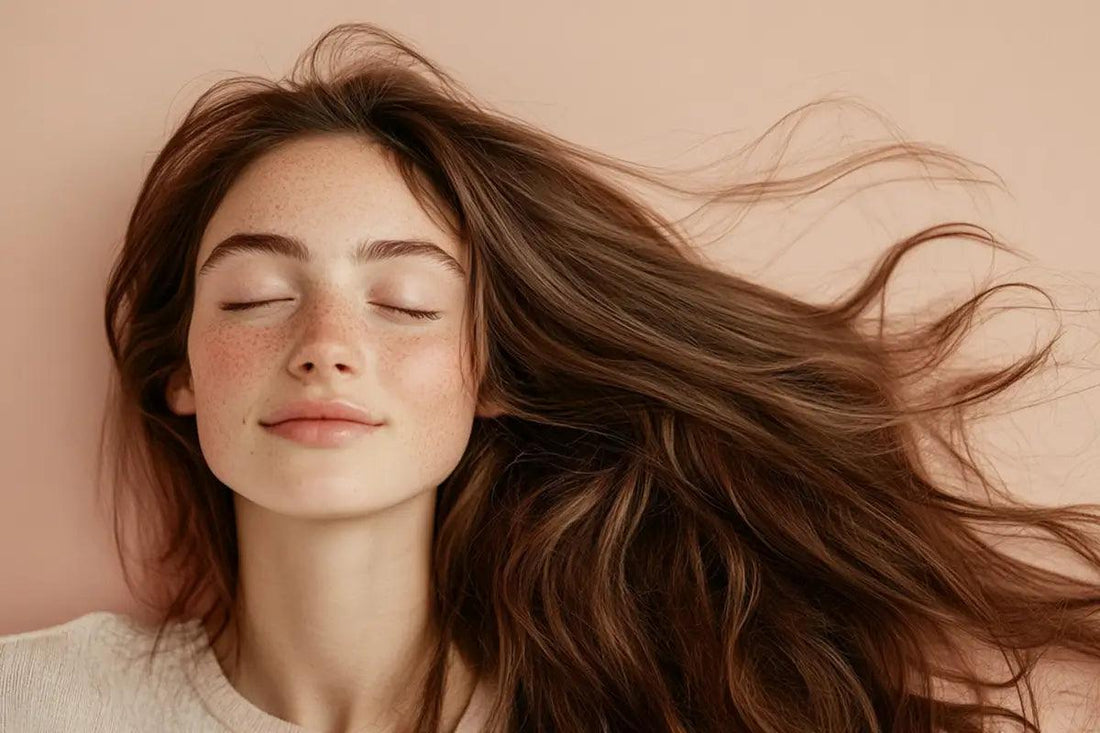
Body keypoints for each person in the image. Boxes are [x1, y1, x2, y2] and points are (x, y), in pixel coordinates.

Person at [3, 21, 1100, 733]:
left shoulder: (643, 712)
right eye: (252, 296)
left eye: (407, 305)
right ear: (177, 370)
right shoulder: (32, 703)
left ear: (489, 372)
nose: (326, 343)